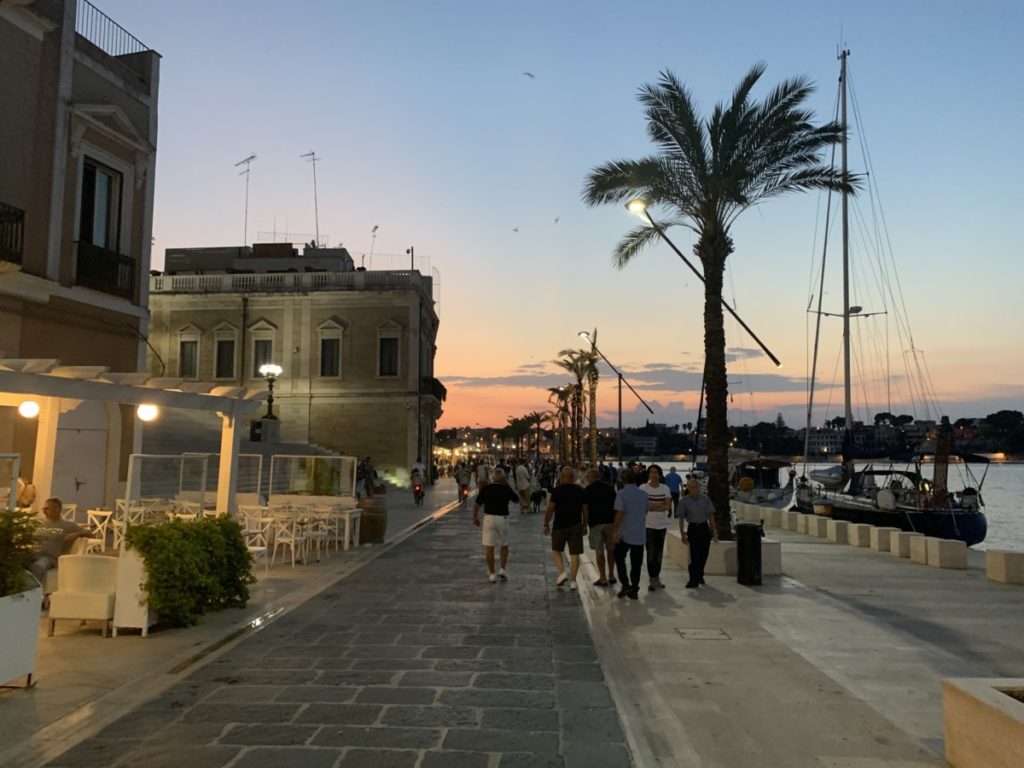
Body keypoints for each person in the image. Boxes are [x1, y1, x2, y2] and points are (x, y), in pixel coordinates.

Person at [472, 468, 519, 583]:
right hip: (503, 518)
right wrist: (507, 485)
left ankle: (492, 574)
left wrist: (475, 518)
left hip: (489, 518)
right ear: (503, 478)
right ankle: (502, 569)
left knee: (489, 547)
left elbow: (476, 504)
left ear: (492, 477)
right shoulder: (505, 488)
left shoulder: (486, 489)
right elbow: (517, 500)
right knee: (504, 545)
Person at [544, 466, 586, 591]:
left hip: (560, 525)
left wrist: (546, 523)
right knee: (575, 553)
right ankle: (573, 581)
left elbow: (550, 509)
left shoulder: (557, 491)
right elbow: (585, 509)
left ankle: (562, 572)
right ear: (573, 478)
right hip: (576, 524)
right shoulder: (580, 490)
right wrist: (585, 524)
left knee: (556, 550)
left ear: (562, 477)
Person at [30, 498, 92, 581]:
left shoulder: (68, 525)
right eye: (43, 509)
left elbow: (90, 534)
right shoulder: (40, 523)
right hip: (32, 553)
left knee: (38, 567)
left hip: (48, 557)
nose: (44, 511)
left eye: (47, 508)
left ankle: (33, 592)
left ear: (57, 509)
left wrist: (76, 534)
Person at [611, 469, 647, 599]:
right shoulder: (644, 494)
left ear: (622, 480)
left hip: (624, 534)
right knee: (636, 564)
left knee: (619, 559)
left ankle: (625, 584)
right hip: (639, 534)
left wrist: (615, 530)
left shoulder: (621, 494)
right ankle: (634, 590)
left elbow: (619, 513)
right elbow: (646, 511)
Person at [677, 477, 718, 588]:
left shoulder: (705, 499)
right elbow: (681, 519)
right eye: (689, 487)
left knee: (703, 554)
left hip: (704, 529)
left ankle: (700, 575)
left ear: (699, 488)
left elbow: (711, 516)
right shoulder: (684, 501)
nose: (691, 489)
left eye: (693, 487)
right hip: (693, 529)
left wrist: (713, 532)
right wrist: (682, 535)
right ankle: (693, 579)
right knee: (694, 556)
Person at [582, 468, 617, 587]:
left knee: (599, 551)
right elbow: (616, 505)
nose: (587, 479)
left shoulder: (588, 490)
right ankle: (611, 574)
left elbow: (585, 509)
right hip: (610, 523)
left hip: (596, 524)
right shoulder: (609, 488)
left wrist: (585, 524)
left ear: (592, 477)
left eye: (588, 477)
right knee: (611, 550)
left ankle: (603, 577)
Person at [640, 464, 672, 590]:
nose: (653, 475)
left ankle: (656, 577)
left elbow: (667, 506)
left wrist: (650, 507)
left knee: (659, 554)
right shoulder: (643, 488)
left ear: (660, 474)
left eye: (656, 472)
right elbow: (642, 505)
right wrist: (659, 505)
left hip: (662, 525)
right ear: (648, 474)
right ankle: (652, 579)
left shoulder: (665, 488)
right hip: (648, 526)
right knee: (650, 553)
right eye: (651, 472)